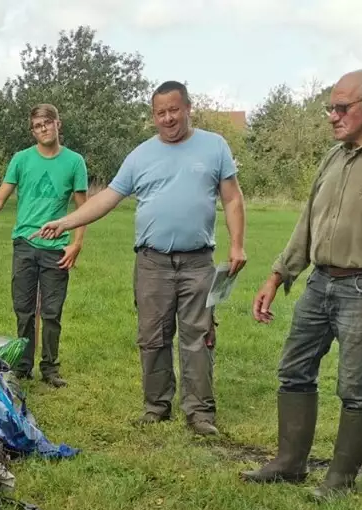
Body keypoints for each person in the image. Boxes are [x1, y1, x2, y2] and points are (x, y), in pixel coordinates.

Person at [243, 69, 362, 499]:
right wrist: (278, 275)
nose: (332, 116)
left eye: (341, 107)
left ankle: (339, 480)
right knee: (293, 372)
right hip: (320, 283)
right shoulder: (333, 158)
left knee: (355, 386)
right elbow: (307, 225)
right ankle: (289, 463)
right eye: (330, 107)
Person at [38, 81, 245, 435]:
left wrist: (237, 245)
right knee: (152, 336)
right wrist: (66, 222)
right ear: (153, 116)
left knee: (198, 336)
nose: (168, 119)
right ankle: (156, 406)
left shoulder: (214, 147)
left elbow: (232, 199)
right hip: (152, 262)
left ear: (188, 108)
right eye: (160, 113)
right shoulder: (140, 156)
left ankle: (200, 413)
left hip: (198, 261)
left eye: (174, 110)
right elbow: (107, 198)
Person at [0, 104, 87, 387]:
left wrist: (76, 244)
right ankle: (23, 366)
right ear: (33, 130)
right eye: (37, 126)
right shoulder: (21, 159)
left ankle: (50, 368)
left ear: (57, 124)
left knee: (52, 312)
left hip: (56, 247)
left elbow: (81, 209)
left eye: (47, 123)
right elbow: (0, 199)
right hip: (24, 245)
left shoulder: (75, 162)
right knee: (24, 309)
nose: (43, 129)